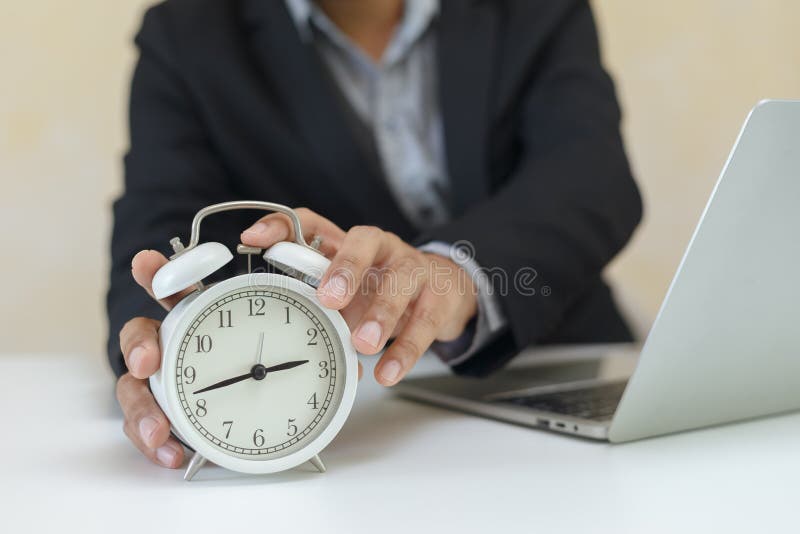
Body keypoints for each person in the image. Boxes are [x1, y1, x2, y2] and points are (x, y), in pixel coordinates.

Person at [108, 0, 642, 469]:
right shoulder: (186, 34)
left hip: (550, 366)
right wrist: (166, 360)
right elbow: (154, 240)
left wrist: (453, 274)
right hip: (330, 411)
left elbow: (594, 179)